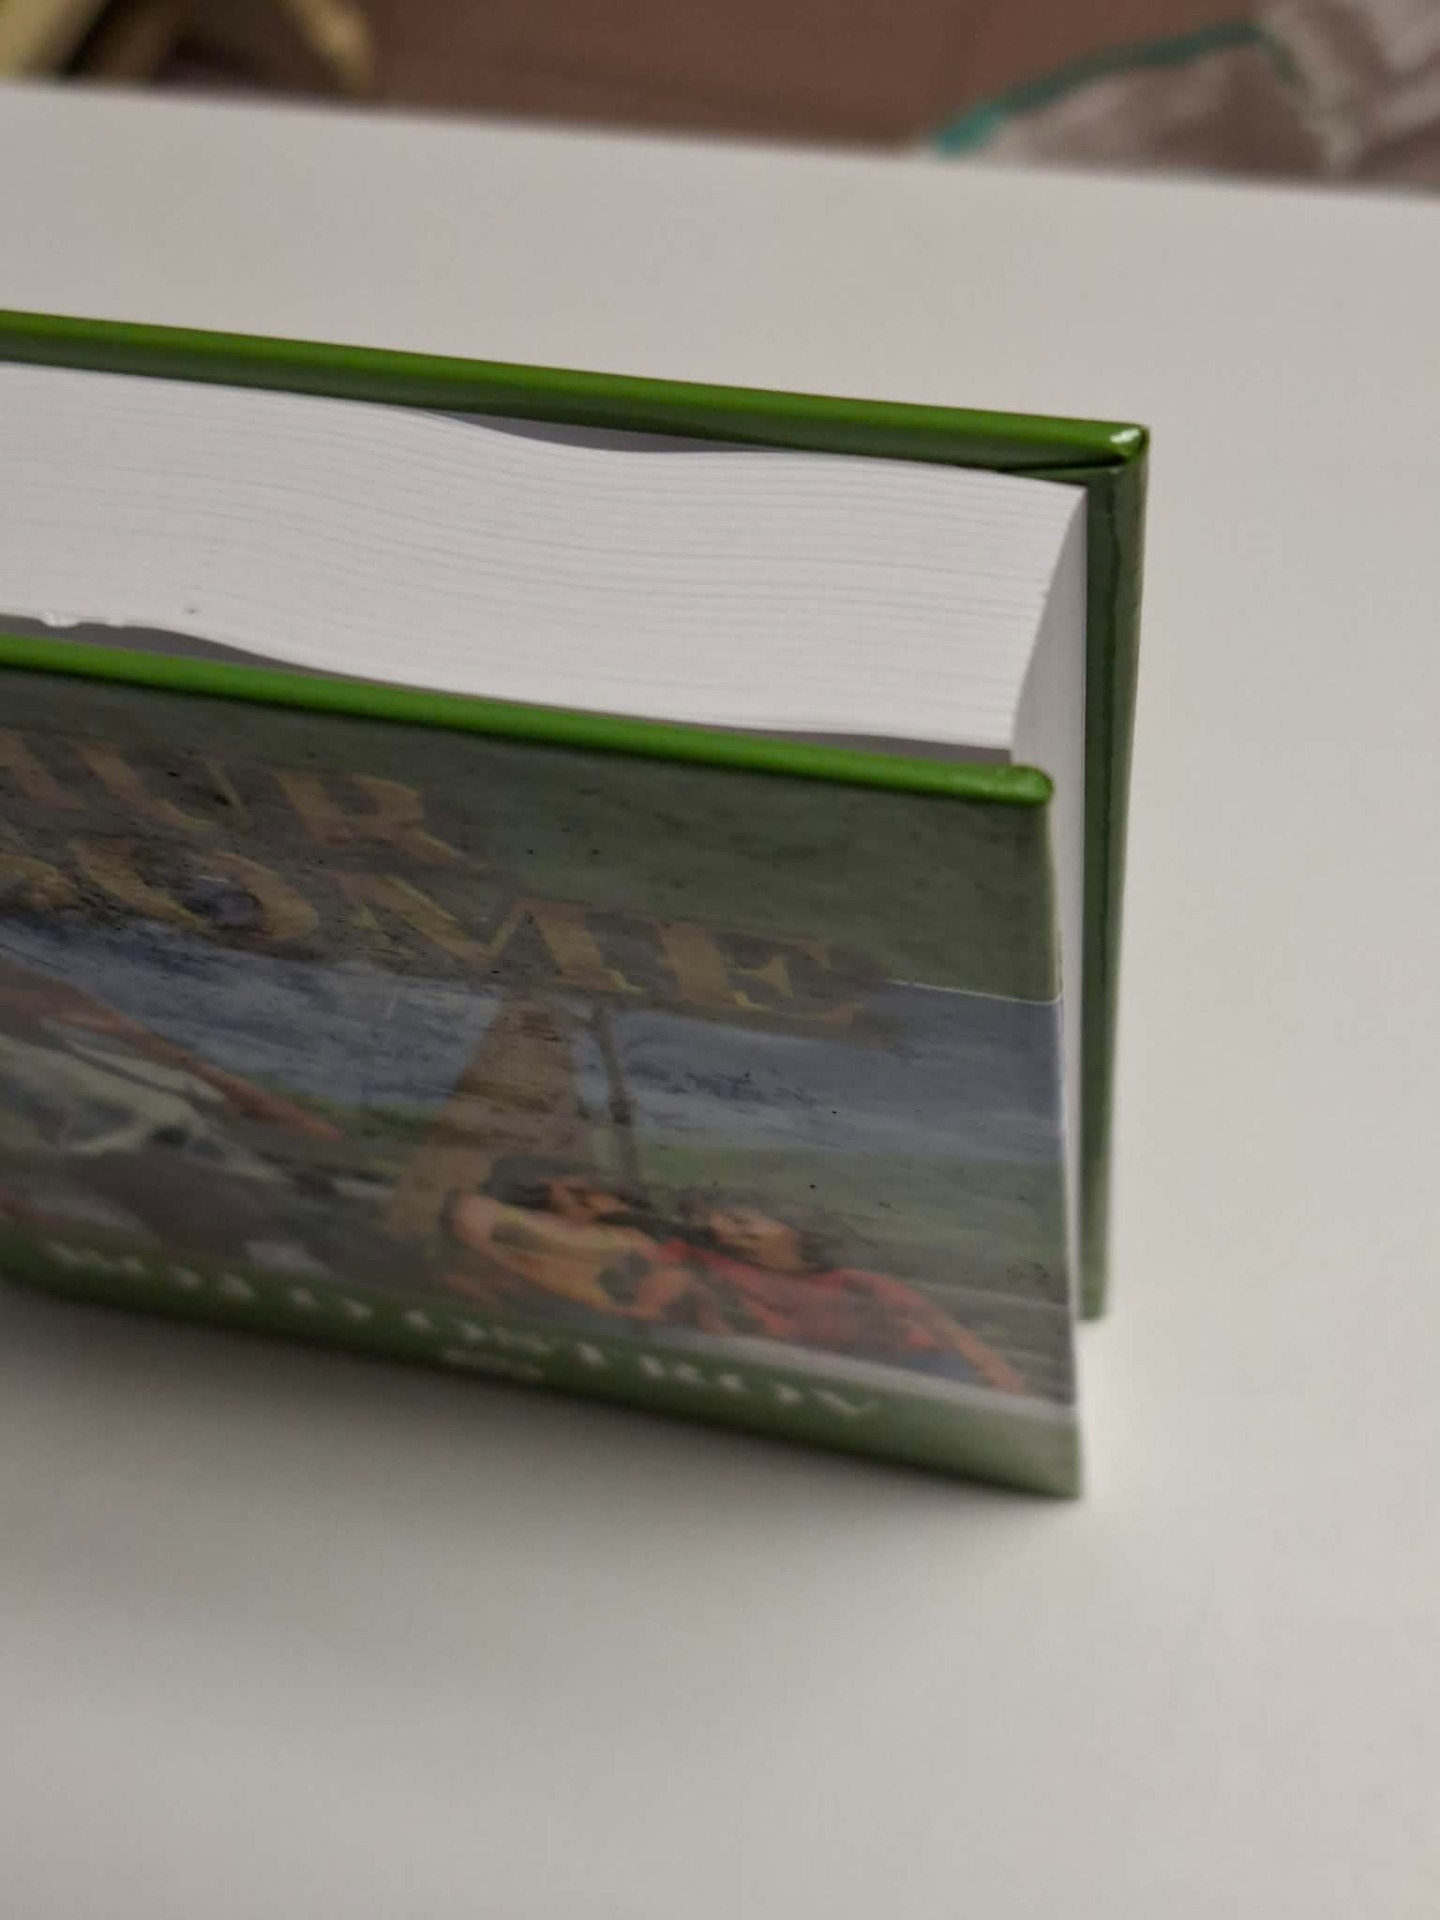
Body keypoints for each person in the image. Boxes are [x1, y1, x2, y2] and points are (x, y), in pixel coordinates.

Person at [655, 1191, 1026, 1391]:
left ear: (795, 1232)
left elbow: (944, 1329)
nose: (723, 1231)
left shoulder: (859, 1282)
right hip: (813, 1374)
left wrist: (997, 1373)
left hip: (912, 1367)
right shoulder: (713, 1264)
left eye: (741, 1221)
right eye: (714, 1225)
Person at [440, 1155, 719, 1331]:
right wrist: (534, 1277)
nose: (588, 1191)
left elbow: (679, 1275)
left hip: (588, 1324)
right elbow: (468, 1239)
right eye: (575, 1185)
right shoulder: (487, 1208)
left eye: (598, 1188)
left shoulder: (625, 1237)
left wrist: (647, 1306)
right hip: (493, 1311)